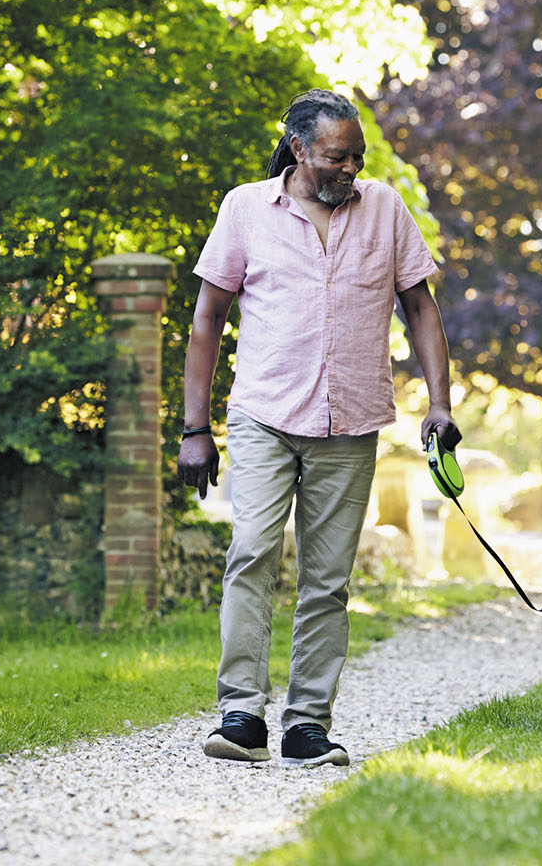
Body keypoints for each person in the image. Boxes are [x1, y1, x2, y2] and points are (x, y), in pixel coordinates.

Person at [177, 89, 461, 767]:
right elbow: (208, 318)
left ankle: (307, 723)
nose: (350, 169)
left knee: (328, 579)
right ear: (300, 149)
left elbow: (420, 308)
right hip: (264, 416)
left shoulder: (385, 208)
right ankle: (241, 713)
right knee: (251, 550)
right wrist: (194, 427)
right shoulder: (246, 208)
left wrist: (441, 404)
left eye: (357, 156)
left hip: (351, 419)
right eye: (338, 156)